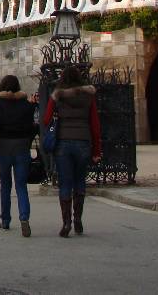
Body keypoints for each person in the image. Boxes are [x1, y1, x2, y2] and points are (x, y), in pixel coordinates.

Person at [43, 66, 101, 237]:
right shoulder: (88, 96)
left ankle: (66, 222)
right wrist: (96, 150)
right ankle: (78, 219)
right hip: (83, 141)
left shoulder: (58, 95)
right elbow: (95, 125)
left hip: (63, 142)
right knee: (80, 181)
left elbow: (46, 119)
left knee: (65, 183)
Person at [0, 75, 37, 237]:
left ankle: (5, 220)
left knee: (5, 184)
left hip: (4, 146)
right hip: (21, 146)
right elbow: (31, 127)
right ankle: (24, 217)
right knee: (21, 185)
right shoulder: (25, 104)